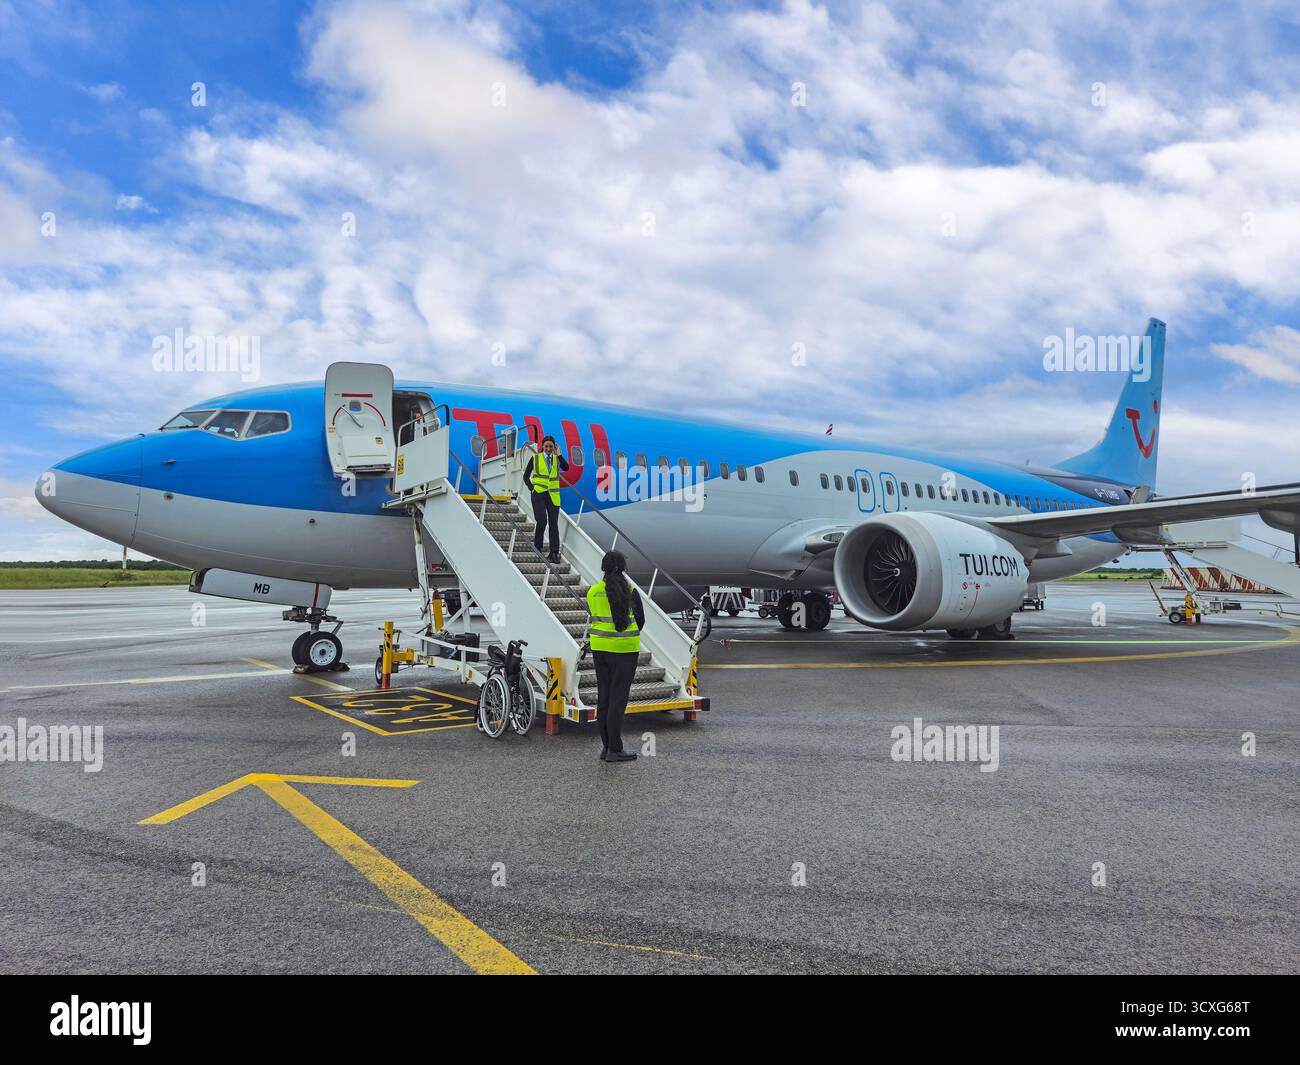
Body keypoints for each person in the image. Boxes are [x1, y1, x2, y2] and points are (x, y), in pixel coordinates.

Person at [586, 550, 645, 763]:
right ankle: (615, 749)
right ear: (623, 568)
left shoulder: (592, 592)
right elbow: (640, 621)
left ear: (603, 567)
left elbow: (594, 616)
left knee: (604, 698)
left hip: (599, 648)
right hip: (624, 650)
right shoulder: (630, 591)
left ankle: (606, 747)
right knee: (617, 701)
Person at [524, 435, 568, 562]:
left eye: (551, 446)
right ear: (542, 447)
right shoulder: (535, 458)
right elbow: (526, 476)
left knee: (553, 524)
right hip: (538, 493)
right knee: (542, 521)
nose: (549, 449)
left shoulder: (556, 459)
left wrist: (559, 455)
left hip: (553, 496)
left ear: (554, 447)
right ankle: (538, 547)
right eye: (546, 446)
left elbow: (566, 468)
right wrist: (531, 488)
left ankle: (554, 553)